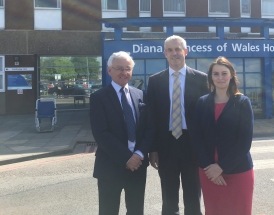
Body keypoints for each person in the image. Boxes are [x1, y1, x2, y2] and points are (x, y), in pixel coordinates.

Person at [147, 35, 208, 215]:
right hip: (166, 145)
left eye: (178, 49)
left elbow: (206, 117)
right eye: (170, 50)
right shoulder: (155, 81)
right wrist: (153, 149)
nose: (175, 53)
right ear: (165, 53)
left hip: (192, 144)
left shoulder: (201, 79)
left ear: (185, 51)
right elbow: (152, 118)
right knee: (168, 197)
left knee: (193, 196)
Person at [90, 51, 154, 215]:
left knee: (136, 211)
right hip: (110, 166)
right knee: (108, 211)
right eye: (119, 68)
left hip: (137, 166)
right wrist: (127, 157)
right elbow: (101, 133)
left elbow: (149, 128)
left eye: (128, 69)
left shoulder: (140, 95)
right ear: (109, 70)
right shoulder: (98, 97)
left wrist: (139, 154)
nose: (124, 73)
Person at [190, 56, 255, 215]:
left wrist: (221, 167)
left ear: (231, 75)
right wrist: (209, 168)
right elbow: (196, 137)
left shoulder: (242, 102)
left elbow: (245, 141)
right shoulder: (202, 102)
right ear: (211, 77)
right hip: (209, 172)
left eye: (224, 73)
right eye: (216, 74)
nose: (220, 78)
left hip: (238, 171)